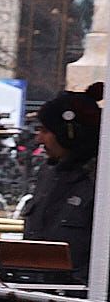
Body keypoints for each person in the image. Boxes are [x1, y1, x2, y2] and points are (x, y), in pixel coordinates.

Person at [24, 83, 101, 282]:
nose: (39, 139)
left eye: (45, 131)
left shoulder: (100, 182)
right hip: (36, 294)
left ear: (69, 134)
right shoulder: (48, 174)